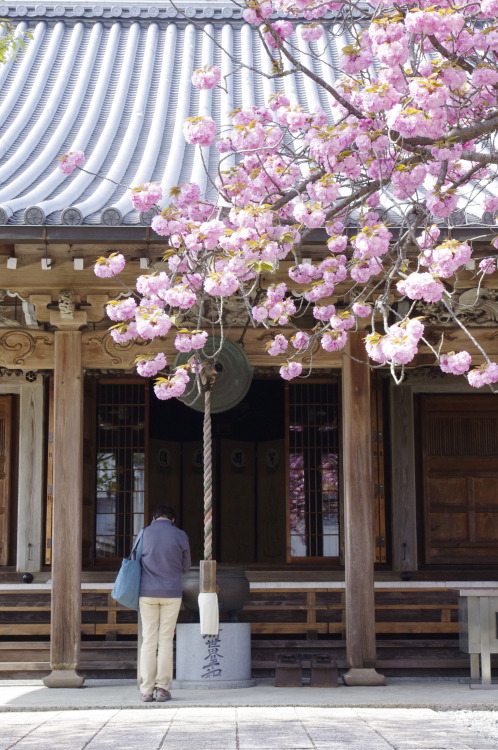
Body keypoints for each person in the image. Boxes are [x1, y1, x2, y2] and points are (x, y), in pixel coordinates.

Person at [138, 505, 191, 702]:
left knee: (149, 640)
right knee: (166, 640)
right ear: (173, 519)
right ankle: (162, 688)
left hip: (147, 592)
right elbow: (185, 567)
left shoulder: (144, 533)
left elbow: (134, 560)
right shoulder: (180, 535)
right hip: (171, 592)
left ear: (153, 518)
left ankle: (146, 689)